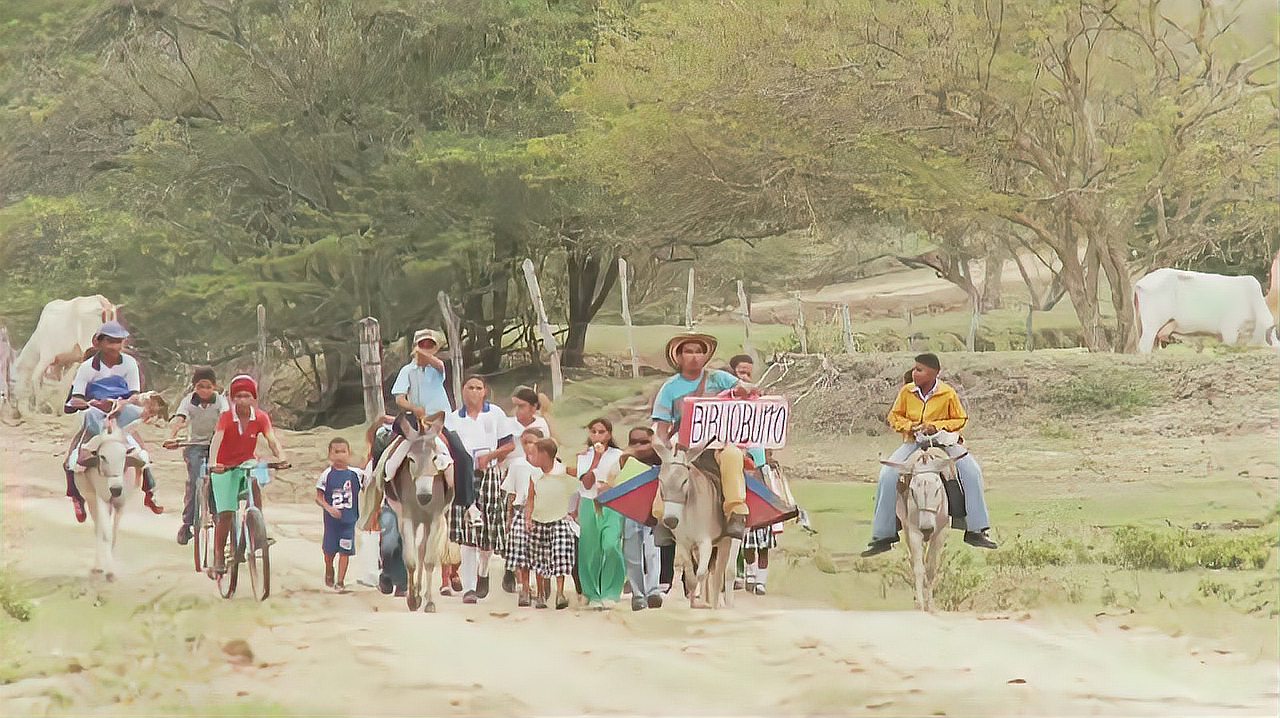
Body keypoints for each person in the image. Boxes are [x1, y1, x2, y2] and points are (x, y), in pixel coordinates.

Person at [860, 353, 998, 557]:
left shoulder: (948, 394)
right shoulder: (907, 392)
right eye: (915, 369)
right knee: (887, 475)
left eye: (920, 370)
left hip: (943, 443)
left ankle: (976, 529)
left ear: (934, 373)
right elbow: (894, 416)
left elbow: (960, 419)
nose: (914, 373)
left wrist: (937, 427)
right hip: (913, 442)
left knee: (972, 472)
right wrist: (911, 426)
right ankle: (884, 534)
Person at [651, 332, 755, 540]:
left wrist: (746, 390)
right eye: (688, 351)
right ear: (678, 357)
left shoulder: (719, 378)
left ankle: (736, 512)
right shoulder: (669, 388)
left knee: (733, 456)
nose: (694, 356)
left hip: (718, 443)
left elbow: (745, 388)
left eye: (699, 351)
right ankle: (661, 517)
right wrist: (663, 447)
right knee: (670, 468)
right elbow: (661, 425)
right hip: (684, 448)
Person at [62, 321, 156, 522]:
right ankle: (77, 494)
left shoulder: (130, 363)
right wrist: (94, 403)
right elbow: (76, 397)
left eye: (118, 342)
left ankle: (150, 490)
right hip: (95, 412)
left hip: (122, 411)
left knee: (142, 448)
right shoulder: (87, 368)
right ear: (100, 343)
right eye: (110, 342)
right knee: (74, 454)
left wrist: (121, 404)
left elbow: (134, 394)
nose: (115, 346)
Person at [207, 375, 287, 575]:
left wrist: (282, 456)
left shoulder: (260, 417)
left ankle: (256, 527)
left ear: (254, 398)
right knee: (225, 514)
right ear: (233, 398)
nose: (243, 400)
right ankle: (218, 555)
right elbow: (217, 440)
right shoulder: (227, 417)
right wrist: (213, 463)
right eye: (239, 396)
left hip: (246, 461)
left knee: (255, 480)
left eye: (247, 396)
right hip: (224, 466)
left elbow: (271, 439)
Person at [445, 375, 514, 604]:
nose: (474, 392)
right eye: (469, 387)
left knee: (488, 533)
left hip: (490, 474)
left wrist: (491, 456)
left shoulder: (495, 414)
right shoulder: (453, 419)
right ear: (462, 391)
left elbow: (509, 444)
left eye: (478, 388)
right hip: (464, 476)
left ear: (484, 391)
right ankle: (469, 588)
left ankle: (483, 572)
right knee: (467, 534)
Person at [164, 366, 229, 545]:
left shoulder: (221, 402)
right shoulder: (188, 401)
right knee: (195, 481)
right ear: (194, 387)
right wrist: (172, 436)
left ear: (215, 387)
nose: (205, 390)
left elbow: (225, 419)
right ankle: (187, 523)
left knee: (217, 480)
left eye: (208, 386)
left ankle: (218, 517)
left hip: (219, 445)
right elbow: (180, 419)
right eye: (201, 386)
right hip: (195, 445)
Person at [503, 427, 563, 607]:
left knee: (540, 552)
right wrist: (509, 516)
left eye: (533, 442)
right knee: (522, 552)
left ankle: (541, 590)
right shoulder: (517, 465)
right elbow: (512, 493)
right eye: (525, 442)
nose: (529, 446)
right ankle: (525, 589)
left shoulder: (549, 466)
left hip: (543, 511)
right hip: (522, 511)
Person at [501, 386, 552, 593]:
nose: (518, 411)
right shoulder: (507, 423)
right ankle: (510, 569)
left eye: (522, 406)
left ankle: (542, 577)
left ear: (533, 407)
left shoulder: (541, 425)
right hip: (510, 473)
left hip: (534, 473)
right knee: (511, 528)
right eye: (515, 406)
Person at [575, 418, 626, 610]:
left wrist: (610, 486)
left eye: (601, 432)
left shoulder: (618, 455)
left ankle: (611, 590)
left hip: (611, 503)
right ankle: (592, 592)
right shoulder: (584, 456)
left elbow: (622, 478)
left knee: (611, 544)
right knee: (590, 550)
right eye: (594, 432)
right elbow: (586, 483)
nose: (597, 436)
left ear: (609, 434)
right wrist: (595, 460)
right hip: (589, 501)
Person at [525, 438, 578, 610]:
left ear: (545, 455)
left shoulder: (564, 473)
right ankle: (541, 594)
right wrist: (528, 518)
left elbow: (577, 492)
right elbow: (531, 499)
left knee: (560, 555)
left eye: (535, 454)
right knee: (539, 558)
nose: (532, 458)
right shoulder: (535, 475)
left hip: (560, 519)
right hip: (539, 520)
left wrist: (573, 512)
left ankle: (560, 593)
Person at [619, 427, 664, 611]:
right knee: (633, 554)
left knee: (653, 552)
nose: (639, 446)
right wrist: (634, 450)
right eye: (634, 442)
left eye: (644, 442)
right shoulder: (626, 460)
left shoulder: (660, 461)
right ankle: (638, 594)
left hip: (652, 512)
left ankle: (653, 591)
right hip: (632, 512)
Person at [315, 437, 363, 591]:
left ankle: (340, 581)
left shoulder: (356, 474)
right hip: (331, 522)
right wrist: (329, 509)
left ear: (349, 453)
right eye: (336, 452)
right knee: (329, 551)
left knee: (345, 551)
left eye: (343, 451)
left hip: (349, 521)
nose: (340, 455)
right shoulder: (327, 475)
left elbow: (372, 483)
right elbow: (318, 497)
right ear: (330, 454)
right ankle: (329, 568)